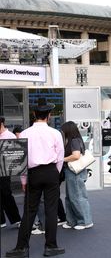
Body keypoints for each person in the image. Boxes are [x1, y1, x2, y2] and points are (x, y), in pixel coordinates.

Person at [6, 98, 65, 257]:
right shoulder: (55, 133)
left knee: (29, 211)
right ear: (49, 115)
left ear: (34, 114)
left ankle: (22, 248)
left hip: (33, 174)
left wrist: (24, 181)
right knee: (51, 210)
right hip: (51, 172)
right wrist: (55, 173)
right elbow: (60, 157)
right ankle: (51, 246)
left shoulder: (24, 133)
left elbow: (22, 160)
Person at [60, 121, 93, 230]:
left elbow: (76, 156)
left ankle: (85, 221)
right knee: (71, 197)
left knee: (77, 196)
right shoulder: (75, 140)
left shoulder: (74, 141)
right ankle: (72, 221)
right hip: (72, 171)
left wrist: (61, 159)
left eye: (63, 130)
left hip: (75, 172)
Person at [0, 117, 21, 229]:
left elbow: (16, 153)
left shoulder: (10, 136)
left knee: (6, 193)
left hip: (4, 169)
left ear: (2, 123)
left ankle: (16, 219)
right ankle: (1, 221)